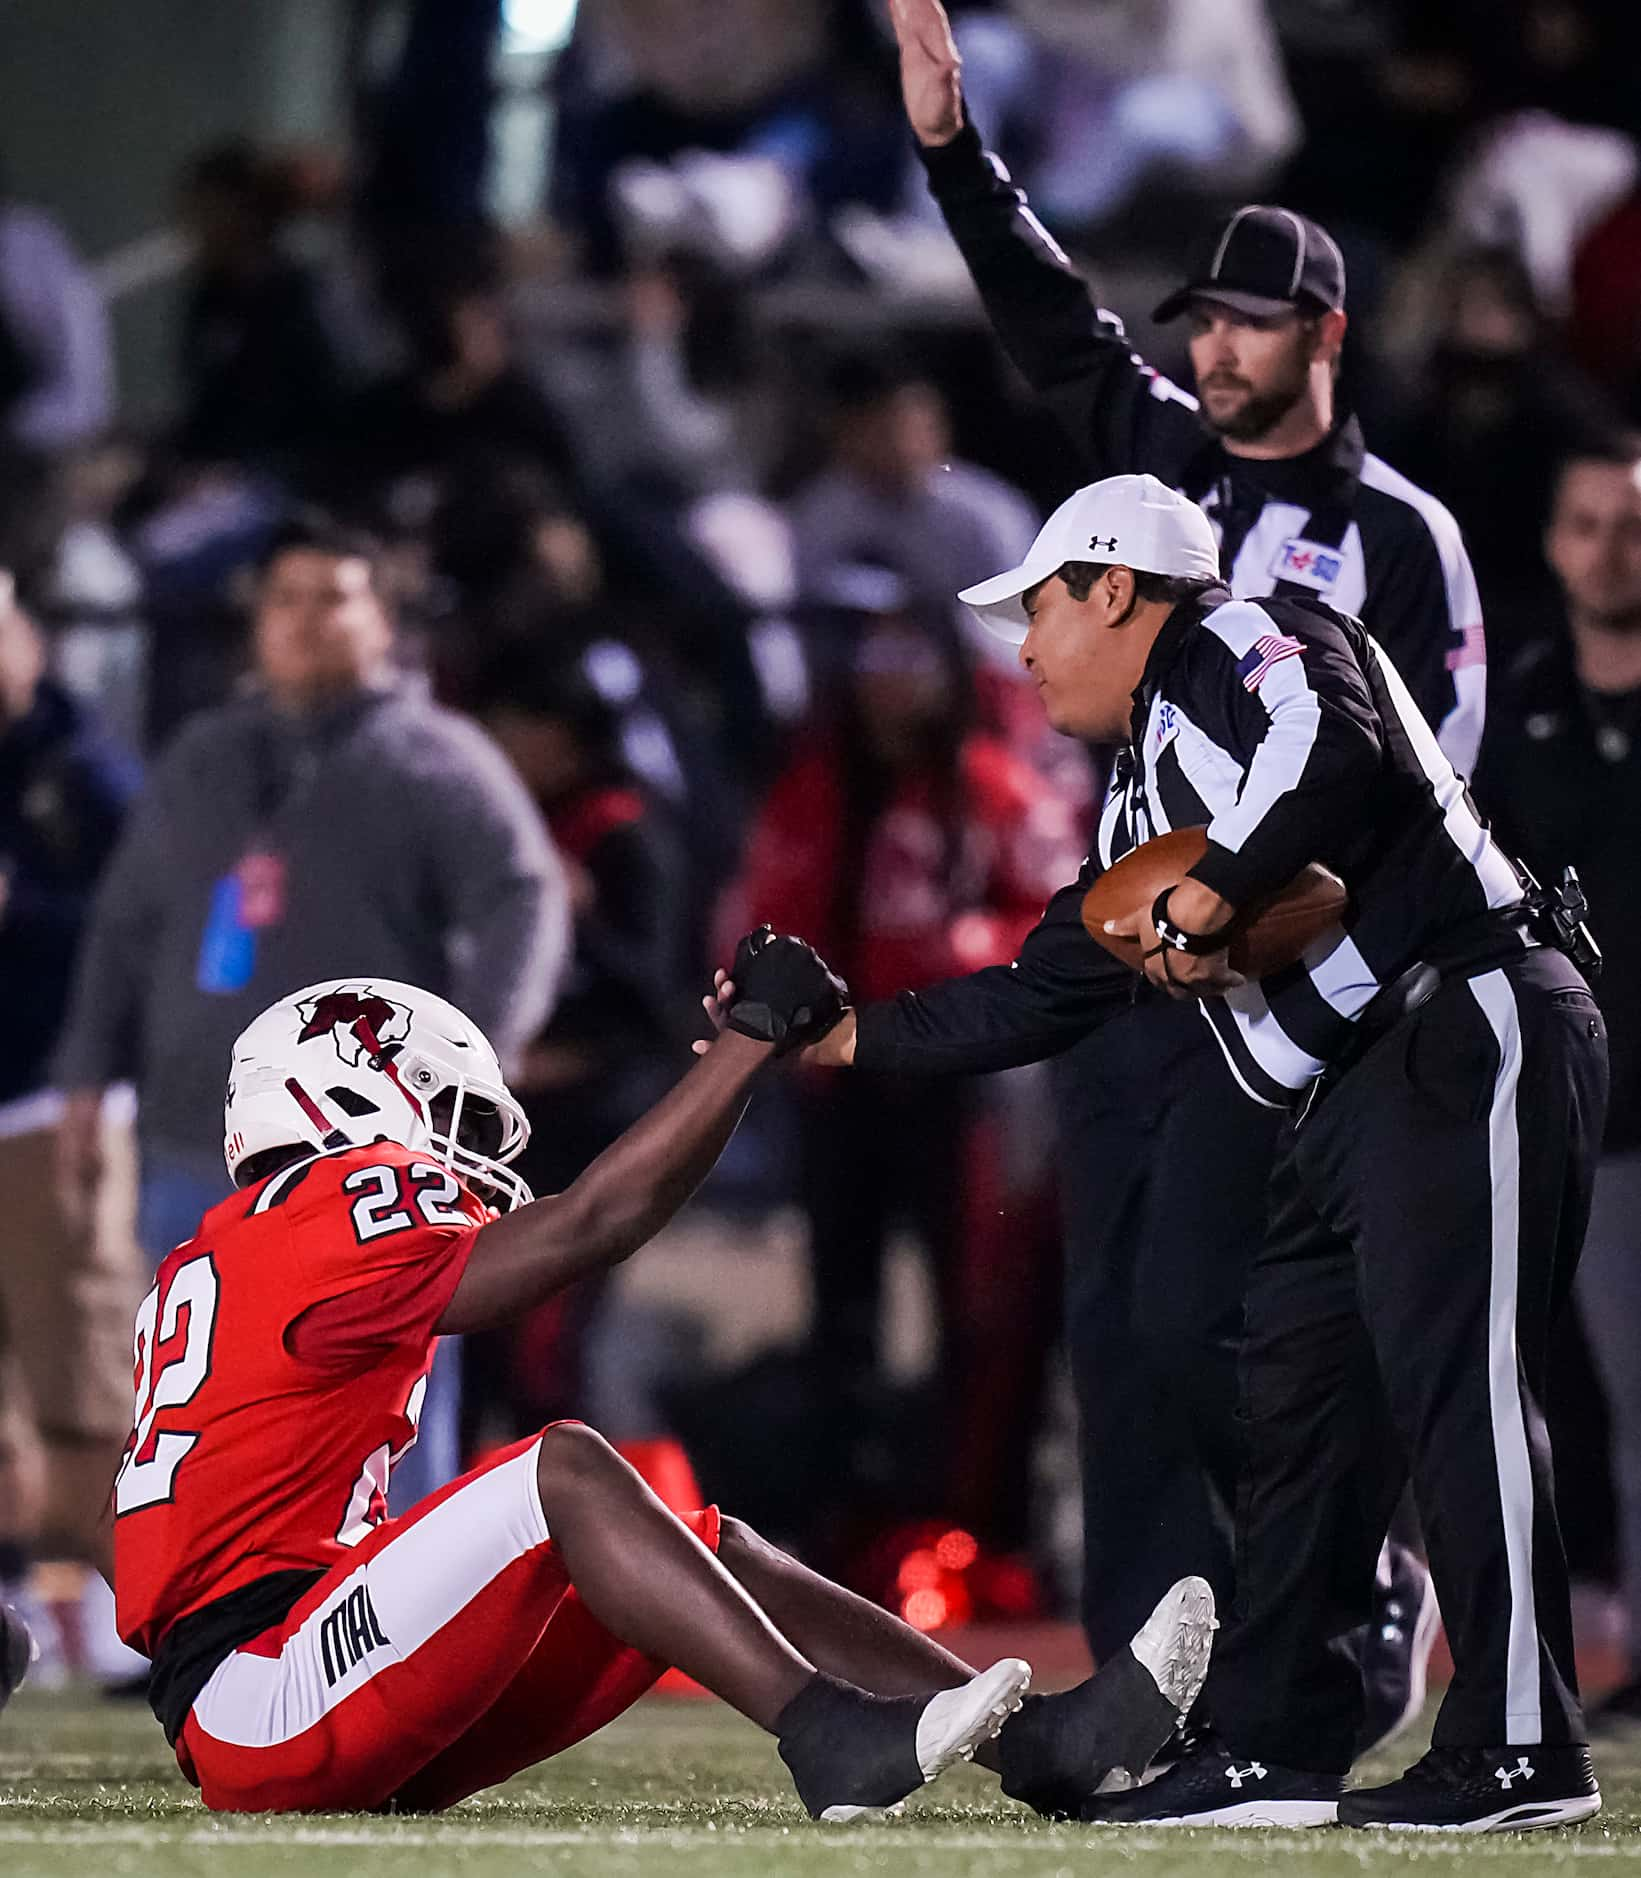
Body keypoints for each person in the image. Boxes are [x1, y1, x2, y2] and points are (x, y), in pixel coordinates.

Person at [738, 474, 1605, 1831]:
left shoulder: (1251, 628)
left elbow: (1336, 738)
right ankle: (1268, 1740)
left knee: (1461, 1384)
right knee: (1289, 1406)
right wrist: (844, 1037)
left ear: (1115, 588)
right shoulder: (1139, 775)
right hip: (1358, 1084)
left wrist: (1221, 883)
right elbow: (1046, 985)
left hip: (1464, 1014)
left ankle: (1519, 1746)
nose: (1022, 649)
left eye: (1039, 610)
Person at [887, 0, 1484, 1723]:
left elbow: (1439, 775)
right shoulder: (1160, 481)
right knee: (1131, 1334)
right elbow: (1046, 325)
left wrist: (1305, 929)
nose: (1216, 354)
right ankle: (1161, 1668)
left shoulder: (1402, 538)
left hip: (1306, 989)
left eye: (1250, 324)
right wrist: (952, 154)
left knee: (1271, 1330)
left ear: (1327, 333)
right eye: (1206, 325)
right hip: (1140, 976)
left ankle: (1352, 1614)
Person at [111, 953, 1216, 1818]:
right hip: (260, 1687)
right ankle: (827, 1736)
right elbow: (590, 1223)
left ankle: (1045, 1752)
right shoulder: (327, 1204)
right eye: (441, 1116)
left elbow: (596, 1224)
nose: (452, 1160)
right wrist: (743, 1044)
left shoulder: (235, 1245)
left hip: (281, 1670)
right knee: (566, 1467)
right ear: (348, 1098)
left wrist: (746, 1054)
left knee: (694, 1543)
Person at [51, 513, 570, 1504]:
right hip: (191, 1131)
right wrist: (85, 1071)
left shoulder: (432, 758)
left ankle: (410, 1619)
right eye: (284, 601)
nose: (304, 623)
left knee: (388, 1391)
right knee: (200, 1397)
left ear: (382, 621)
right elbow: (125, 923)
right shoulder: (206, 754)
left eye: (333, 599)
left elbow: (525, 895)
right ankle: (217, 1632)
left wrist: (470, 1063)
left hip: (365, 1150)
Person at [1476, 441, 1641, 1735]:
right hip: (1563, 1103)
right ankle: (1554, 1655)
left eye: (1627, 524)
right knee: (1552, 1391)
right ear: (1551, 540)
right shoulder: (1519, 694)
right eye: (1585, 523)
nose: (1608, 549)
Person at [0, 573, 141, 1671]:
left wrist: (24, 910)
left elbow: (144, 917)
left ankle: (135, 1613)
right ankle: (26, 1620)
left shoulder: (79, 770)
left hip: (50, 1102)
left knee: (83, 1372)